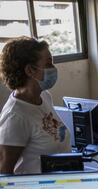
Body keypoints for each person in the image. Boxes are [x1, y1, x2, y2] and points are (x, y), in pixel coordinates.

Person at [0, 37, 71, 174]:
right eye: (49, 63)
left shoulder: (44, 97)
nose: (54, 68)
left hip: (60, 186)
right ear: (30, 70)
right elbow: (4, 172)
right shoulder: (15, 116)